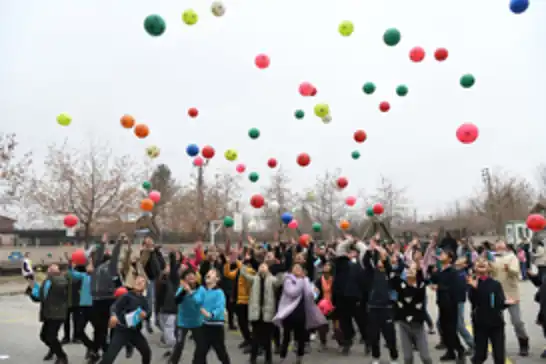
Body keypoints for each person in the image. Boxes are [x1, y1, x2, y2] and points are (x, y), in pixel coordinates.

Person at [273, 263, 327, 364]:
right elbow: (293, 292)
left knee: (301, 337)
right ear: (291, 270)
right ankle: (283, 356)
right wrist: (302, 281)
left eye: (300, 268)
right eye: (295, 267)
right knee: (286, 337)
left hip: (301, 313)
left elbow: (311, 294)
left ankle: (299, 357)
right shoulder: (288, 280)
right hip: (288, 313)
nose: (298, 269)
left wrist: (311, 286)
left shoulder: (305, 280)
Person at [467, 258, 513, 364]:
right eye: (478, 261)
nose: (481, 262)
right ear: (475, 267)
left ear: (490, 267)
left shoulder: (495, 284)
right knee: (480, 355)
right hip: (480, 323)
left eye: (484, 261)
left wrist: (507, 303)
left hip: (496, 324)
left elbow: (499, 303)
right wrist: (474, 288)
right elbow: (473, 301)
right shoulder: (473, 282)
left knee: (499, 356)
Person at [98, 276, 151, 364]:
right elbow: (114, 307)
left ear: (145, 286)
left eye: (142, 282)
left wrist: (145, 315)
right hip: (122, 330)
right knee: (108, 358)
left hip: (135, 332)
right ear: (133, 283)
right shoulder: (127, 296)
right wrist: (113, 316)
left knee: (147, 352)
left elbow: (149, 312)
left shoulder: (144, 300)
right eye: (137, 280)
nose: (139, 282)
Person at [362, 241, 399, 364]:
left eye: (381, 260)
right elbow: (366, 262)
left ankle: (394, 357)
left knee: (390, 335)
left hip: (386, 308)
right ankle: (376, 357)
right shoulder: (370, 274)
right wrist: (369, 250)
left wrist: (385, 255)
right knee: (374, 335)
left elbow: (392, 267)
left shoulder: (388, 273)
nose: (379, 262)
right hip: (373, 308)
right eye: (377, 260)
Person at [240, 261, 283, 364]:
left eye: (264, 266)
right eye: (260, 266)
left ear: (268, 269)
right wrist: (244, 263)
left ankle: (268, 359)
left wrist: (280, 272)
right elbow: (244, 274)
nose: (262, 267)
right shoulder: (254, 279)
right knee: (255, 337)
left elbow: (279, 281)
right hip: (256, 313)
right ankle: (253, 357)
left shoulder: (272, 279)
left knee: (267, 338)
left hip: (268, 312)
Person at [491, 240, 529, 356]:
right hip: (496, 294)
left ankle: (523, 342)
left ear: (506, 247)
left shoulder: (512, 257)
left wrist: (509, 269)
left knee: (517, 321)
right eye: (497, 246)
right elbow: (488, 272)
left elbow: (515, 272)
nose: (499, 248)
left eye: (502, 246)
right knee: (496, 322)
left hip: (511, 292)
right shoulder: (491, 258)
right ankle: (498, 346)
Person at [391, 260, 433, 364]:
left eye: (413, 269)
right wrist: (391, 261)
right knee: (408, 357)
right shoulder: (401, 285)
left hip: (417, 325)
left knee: (425, 357)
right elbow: (391, 276)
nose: (410, 270)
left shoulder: (420, 287)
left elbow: (421, 282)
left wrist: (418, 269)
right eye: (409, 269)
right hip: (404, 325)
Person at [26, 264, 69, 364]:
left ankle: (62, 357)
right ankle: (54, 349)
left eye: (53, 268)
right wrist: (32, 290)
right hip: (48, 314)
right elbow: (41, 298)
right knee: (43, 336)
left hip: (57, 313)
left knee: (51, 336)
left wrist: (54, 275)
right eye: (49, 268)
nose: (49, 269)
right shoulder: (47, 281)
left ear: (57, 271)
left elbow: (60, 284)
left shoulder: (60, 280)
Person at [431, 248, 466, 363]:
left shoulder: (453, 272)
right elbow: (433, 279)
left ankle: (460, 350)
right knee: (444, 329)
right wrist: (434, 272)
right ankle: (450, 351)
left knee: (451, 329)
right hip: (442, 303)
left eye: (444, 254)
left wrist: (439, 287)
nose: (441, 255)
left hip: (451, 304)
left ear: (450, 259)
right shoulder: (440, 270)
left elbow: (453, 288)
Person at [192, 269, 231, 364]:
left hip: (216, 326)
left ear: (217, 279)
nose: (208, 274)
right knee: (199, 353)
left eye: (212, 273)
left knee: (221, 352)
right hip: (203, 325)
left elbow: (220, 307)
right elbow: (197, 301)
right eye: (208, 273)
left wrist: (211, 314)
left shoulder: (219, 292)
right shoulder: (202, 290)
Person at [169, 267, 205, 364]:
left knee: (201, 345)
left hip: (197, 322)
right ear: (184, 279)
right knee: (179, 344)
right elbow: (176, 301)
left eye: (192, 275)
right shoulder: (182, 289)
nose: (191, 277)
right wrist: (184, 291)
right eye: (188, 276)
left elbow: (199, 302)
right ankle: (172, 361)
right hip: (183, 322)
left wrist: (190, 292)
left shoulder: (201, 289)